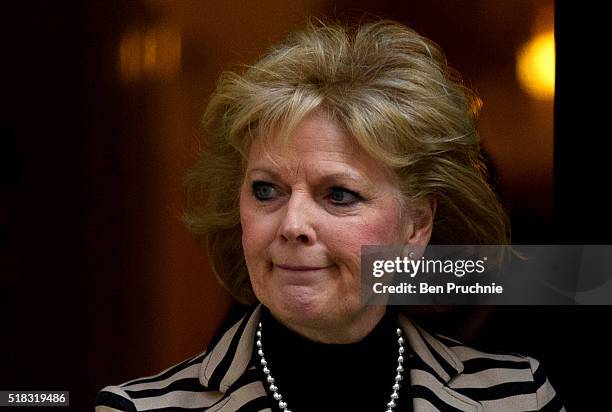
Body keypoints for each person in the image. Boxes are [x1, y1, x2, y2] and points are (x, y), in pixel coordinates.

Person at [95, 20, 564, 411]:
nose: (293, 224)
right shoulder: (138, 409)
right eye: (266, 190)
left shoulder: (519, 396)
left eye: (338, 194)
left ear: (416, 224)